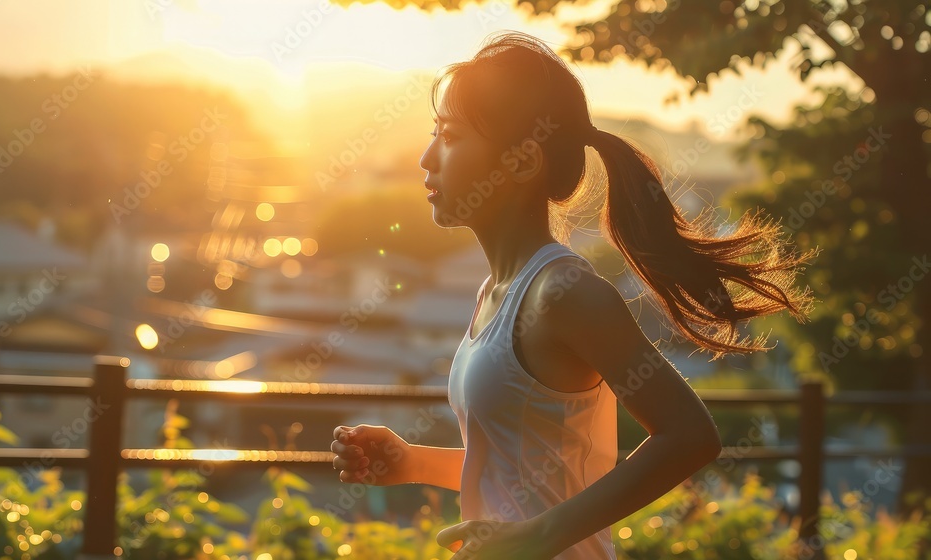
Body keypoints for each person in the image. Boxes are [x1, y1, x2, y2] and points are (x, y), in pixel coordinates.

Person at [331, 30, 816, 560]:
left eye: (449, 136)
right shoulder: (497, 293)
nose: (427, 158)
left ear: (521, 162)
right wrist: (412, 462)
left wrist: (540, 538)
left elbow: (690, 436)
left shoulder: (564, 294)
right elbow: (524, 471)